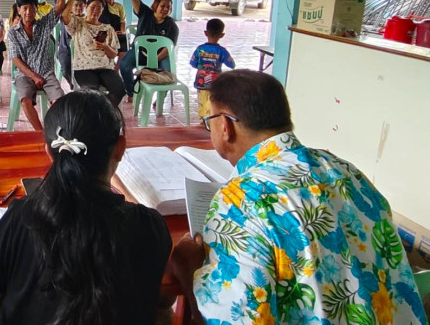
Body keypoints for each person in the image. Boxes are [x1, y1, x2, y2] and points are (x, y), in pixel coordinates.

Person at [168, 70, 427, 325]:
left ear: (225, 126)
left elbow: (233, 318)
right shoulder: (348, 171)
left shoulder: (240, 200)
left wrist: (188, 268)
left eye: (209, 121)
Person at [0, 90, 173, 325]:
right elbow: (163, 297)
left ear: (49, 152)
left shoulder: (24, 217)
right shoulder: (149, 227)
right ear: (120, 148)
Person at [7, 0, 67, 131]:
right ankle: (40, 133)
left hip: (46, 72)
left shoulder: (44, 24)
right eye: (25, 8)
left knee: (59, 100)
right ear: (19, 10)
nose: (28, 12)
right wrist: (33, 76)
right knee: (25, 101)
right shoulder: (13, 32)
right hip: (25, 75)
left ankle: (54, 131)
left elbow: (59, 7)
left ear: (36, 9)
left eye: (32, 8)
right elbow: (16, 59)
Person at [119, 0, 179, 102]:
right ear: (155, 6)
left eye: (168, 7)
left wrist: (154, 60)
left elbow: (169, 48)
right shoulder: (145, 13)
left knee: (168, 73)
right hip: (139, 52)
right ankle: (131, 93)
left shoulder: (172, 25)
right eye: (162, 6)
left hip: (160, 56)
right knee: (124, 65)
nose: (165, 9)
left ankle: (160, 99)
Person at [61, 0, 125, 107]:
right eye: (93, 7)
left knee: (120, 89)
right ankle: (98, 113)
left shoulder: (108, 28)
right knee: (92, 92)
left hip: (105, 68)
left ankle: (105, 111)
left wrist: (105, 46)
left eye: (99, 8)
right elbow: (64, 15)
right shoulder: (78, 23)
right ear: (86, 7)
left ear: (102, 10)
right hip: (84, 68)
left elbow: (113, 54)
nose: (95, 10)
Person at [190, 18, 235, 118]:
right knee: (212, 104)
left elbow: (193, 63)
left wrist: (201, 67)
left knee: (202, 103)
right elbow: (231, 64)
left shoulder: (199, 49)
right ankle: (211, 122)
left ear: (205, 33)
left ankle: (202, 121)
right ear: (222, 35)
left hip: (201, 81)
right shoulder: (222, 51)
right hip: (215, 83)